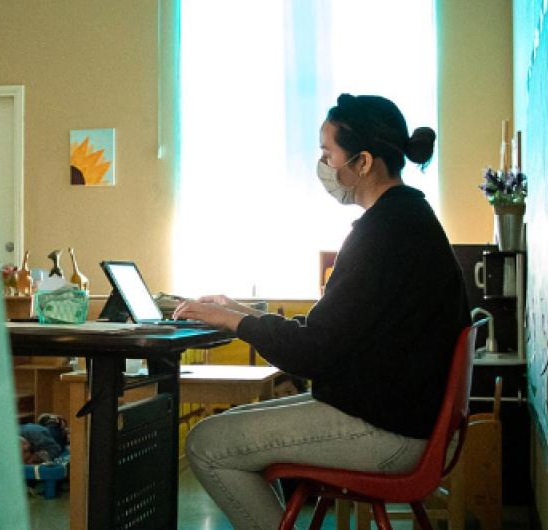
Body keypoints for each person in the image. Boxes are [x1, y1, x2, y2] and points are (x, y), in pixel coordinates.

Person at [173, 93, 469, 529]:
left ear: (363, 162)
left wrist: (235, 322)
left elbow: (312, 352)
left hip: (392, 434)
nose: (324, 166)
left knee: (207, 443)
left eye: (328, 154)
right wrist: (237, 310)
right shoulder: (405, 219)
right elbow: (329, 332)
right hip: (404, 420)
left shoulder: (382, 234)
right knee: (229, 429)